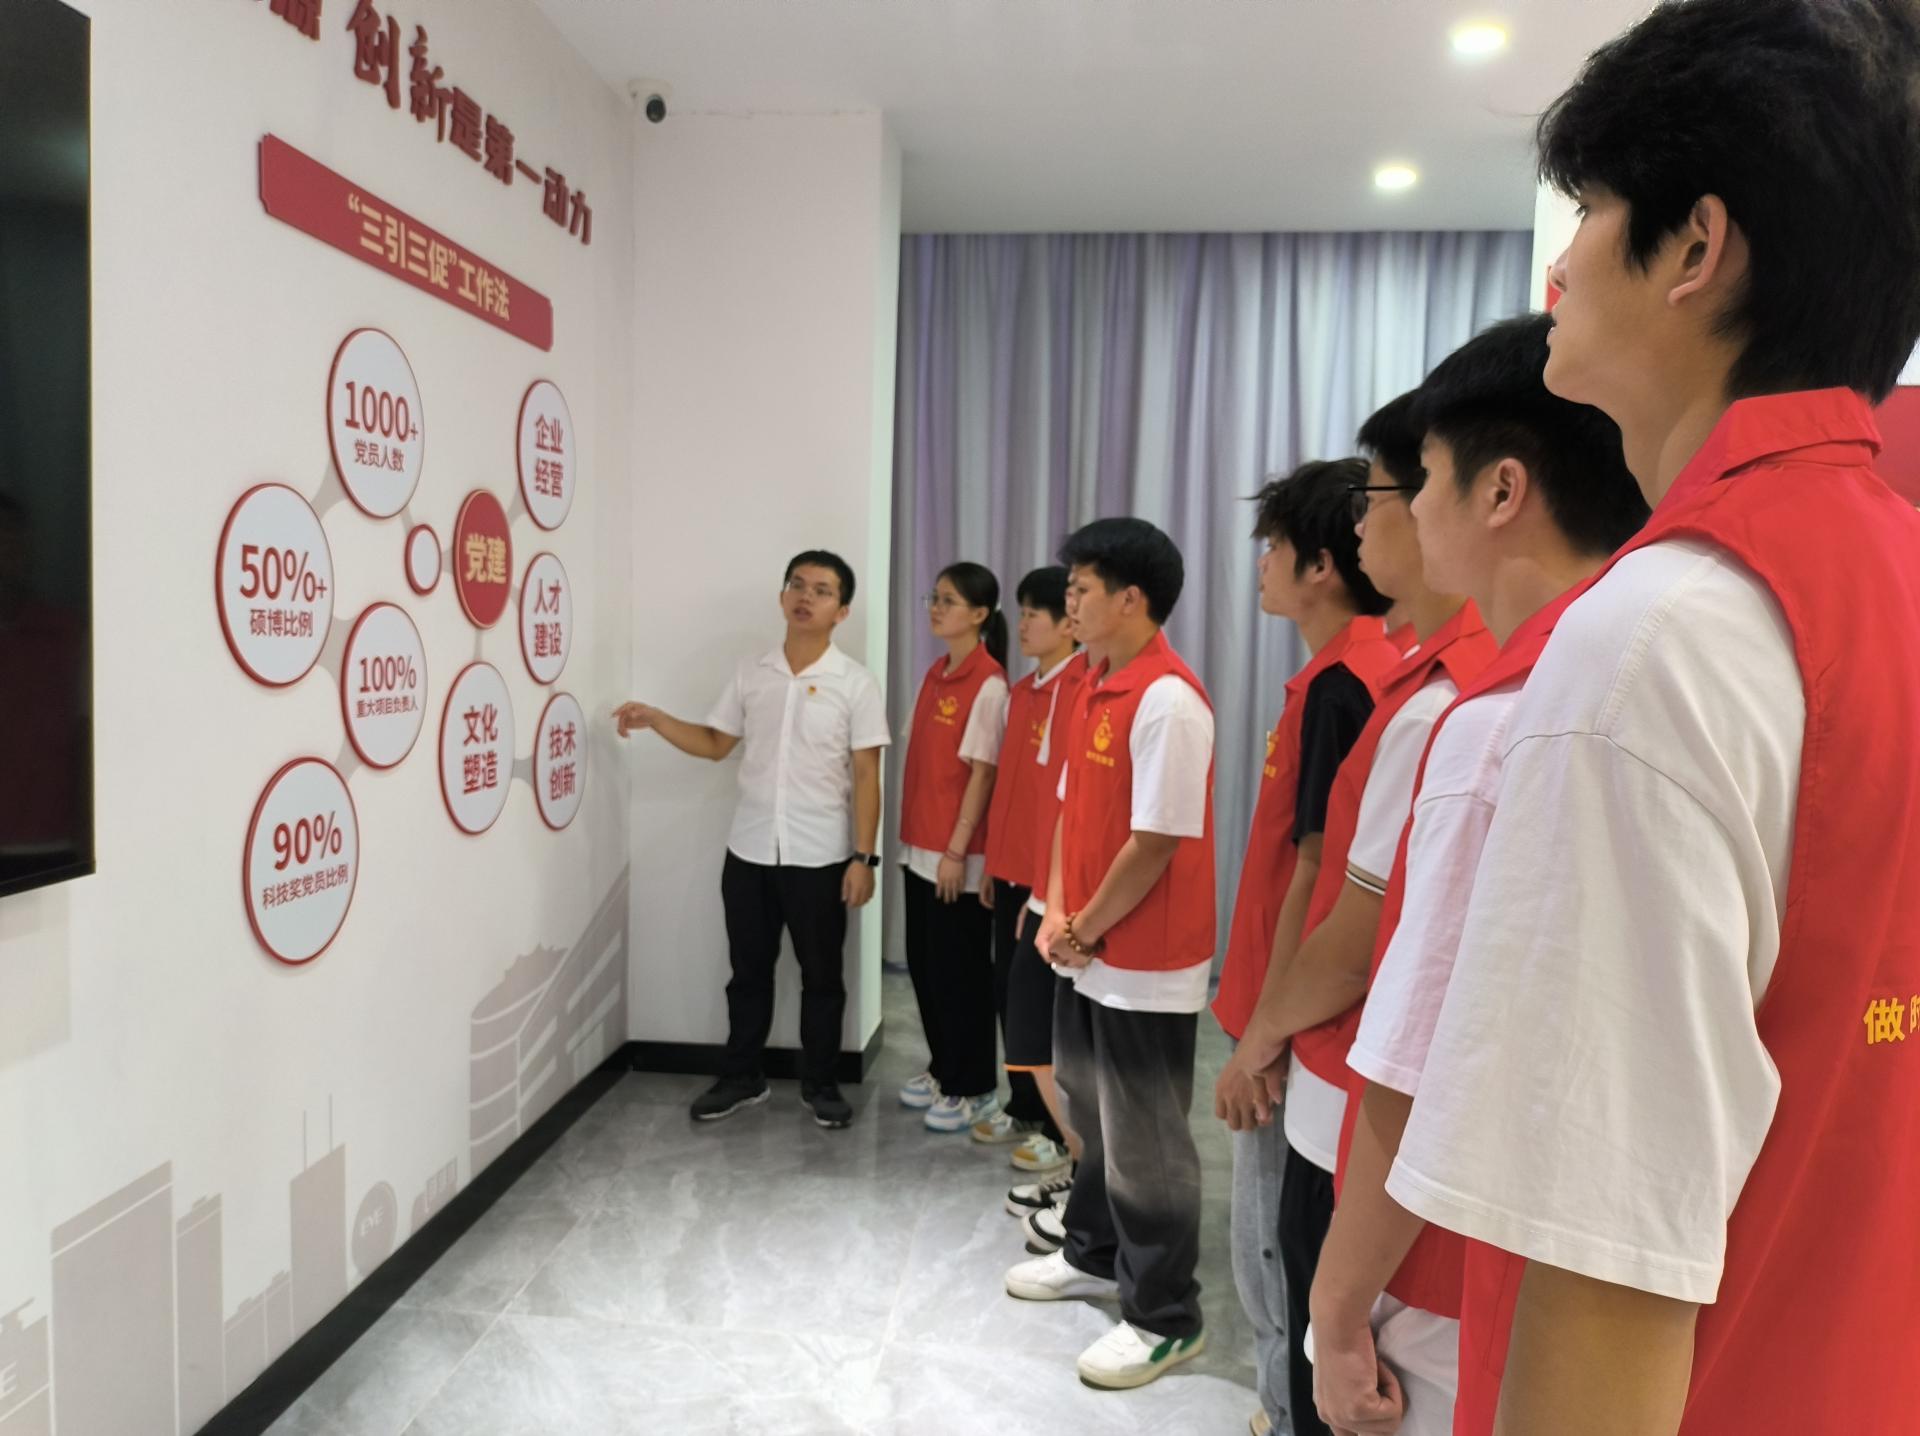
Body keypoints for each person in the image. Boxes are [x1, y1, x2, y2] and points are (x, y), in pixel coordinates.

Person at [1384, 4, 1920, 1433]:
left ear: (1695, 246)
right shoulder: (1889, 567)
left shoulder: (1654, 638)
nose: (1558, 266)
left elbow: (1606, 1267)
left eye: (1591, 211)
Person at [1235, 316, 1640, 1436]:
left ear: (1500, 490)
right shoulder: (1625, 671)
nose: (1403, 510)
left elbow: (1418, 1050)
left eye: (1417, 479)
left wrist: (1336, 1306)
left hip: (1439, 1242)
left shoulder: (1488, 720)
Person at [1214, 401, 1498, 1436]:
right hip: (1332, 1059)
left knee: (1307, 1301)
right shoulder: (1411, 681)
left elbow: (1345, 917)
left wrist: (1262, 1030)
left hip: (1346, 1077)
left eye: (1386, 494)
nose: (1375, 517)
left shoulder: (1424, 700)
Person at [999, 517, 1217, 1391]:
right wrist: (1057, 910)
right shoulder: (1092, 683)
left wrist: (1084, 925)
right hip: (1085, 944)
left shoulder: (1169, 700)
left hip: (1143, 961)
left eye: (1082, 589)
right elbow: (1067, 812)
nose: (1070, 602)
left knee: (1147, 1142)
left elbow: (1156, 841)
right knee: (1089, 1110)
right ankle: (1092, 1252)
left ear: (1131, 599)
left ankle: (1166, 1315)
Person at [1210, 458, 1399, 1436]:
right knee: (1273, 1240)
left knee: (1275, 1247)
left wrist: (1263, 1037)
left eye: (1274, 547)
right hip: (1279, 1007)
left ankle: (1287, 1412)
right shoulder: (1333, 680)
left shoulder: (1345, 689)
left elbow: (1319, 880)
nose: (1261, 564)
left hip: (1293, 1023)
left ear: (1322, 564)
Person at [614, 550, 889, 1129]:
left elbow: (868, 776)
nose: (806, 597)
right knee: (747, 973)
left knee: (822, 979)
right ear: (783, 596)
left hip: (821, 855)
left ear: (842, 611)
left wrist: (864, 858)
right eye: (797, 585)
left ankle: (821, 1084)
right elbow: (717, 744)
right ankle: (742, 1077)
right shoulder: (751, 673)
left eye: (822, 590)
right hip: (750, 850)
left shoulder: (856, 683)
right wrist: (659, 719)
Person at [973, 567, 1083, 1179]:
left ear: (1068, 623)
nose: (1022, 625)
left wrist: (1048, 885)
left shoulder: (1077, 689)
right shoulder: (1022, 691)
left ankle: (1055, 1128)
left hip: (1049, 883)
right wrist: (994, 862)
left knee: (1043, 1011)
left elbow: (1063, 804)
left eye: (1033, 614)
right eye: (1020, 612)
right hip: (1013, 869)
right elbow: (1011, 791)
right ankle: (1021, 1104)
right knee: (1007, 998)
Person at [898, 562, 1011, 1133]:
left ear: (980, 614)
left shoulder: (989, 684)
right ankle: (945, 1068)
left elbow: (983, 775)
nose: (936, 608)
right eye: (934, 598)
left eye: (949, 600)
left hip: (956, 857)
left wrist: (956, 850)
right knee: (925, 967)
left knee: (960, 976)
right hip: (919, 847)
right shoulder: (937, 672)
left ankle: (975, 1086)